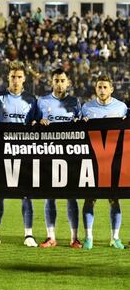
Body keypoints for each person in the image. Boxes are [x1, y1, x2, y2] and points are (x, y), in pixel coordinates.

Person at [0, 61, 38, 248]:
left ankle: (29, 235)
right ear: (8, 78)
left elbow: (36, 122)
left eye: (19, 77)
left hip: (23, 151)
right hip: (2, 151)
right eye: (13, 77)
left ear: (24, 79)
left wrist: (38, 122)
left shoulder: (32, 99)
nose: (16, 80)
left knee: (26, 194)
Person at [37, 68, 82, 248]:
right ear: (52, 82)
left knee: (72, 197)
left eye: (63, 80)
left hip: (70, 156)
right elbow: (32, 123)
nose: (60, 83)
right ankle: (51, 237)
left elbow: (82, 124)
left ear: (68, 83)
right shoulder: (42, 102)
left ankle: (74, 238)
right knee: (50, 197)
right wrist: (39, 122)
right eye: (57, 80)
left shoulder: (74, 102)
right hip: (48, 154)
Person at [81, 74, 128, 250]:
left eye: (105, 87)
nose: (102, 90)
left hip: (114, 161)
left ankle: (115, 238)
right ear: (96, 89)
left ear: (111, 89)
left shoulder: (122, 108)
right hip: (92, 161)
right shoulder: (86, 108)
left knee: (114, 200)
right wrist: (81, 123)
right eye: (99, 87)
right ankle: (88, 238)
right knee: (89, 199)